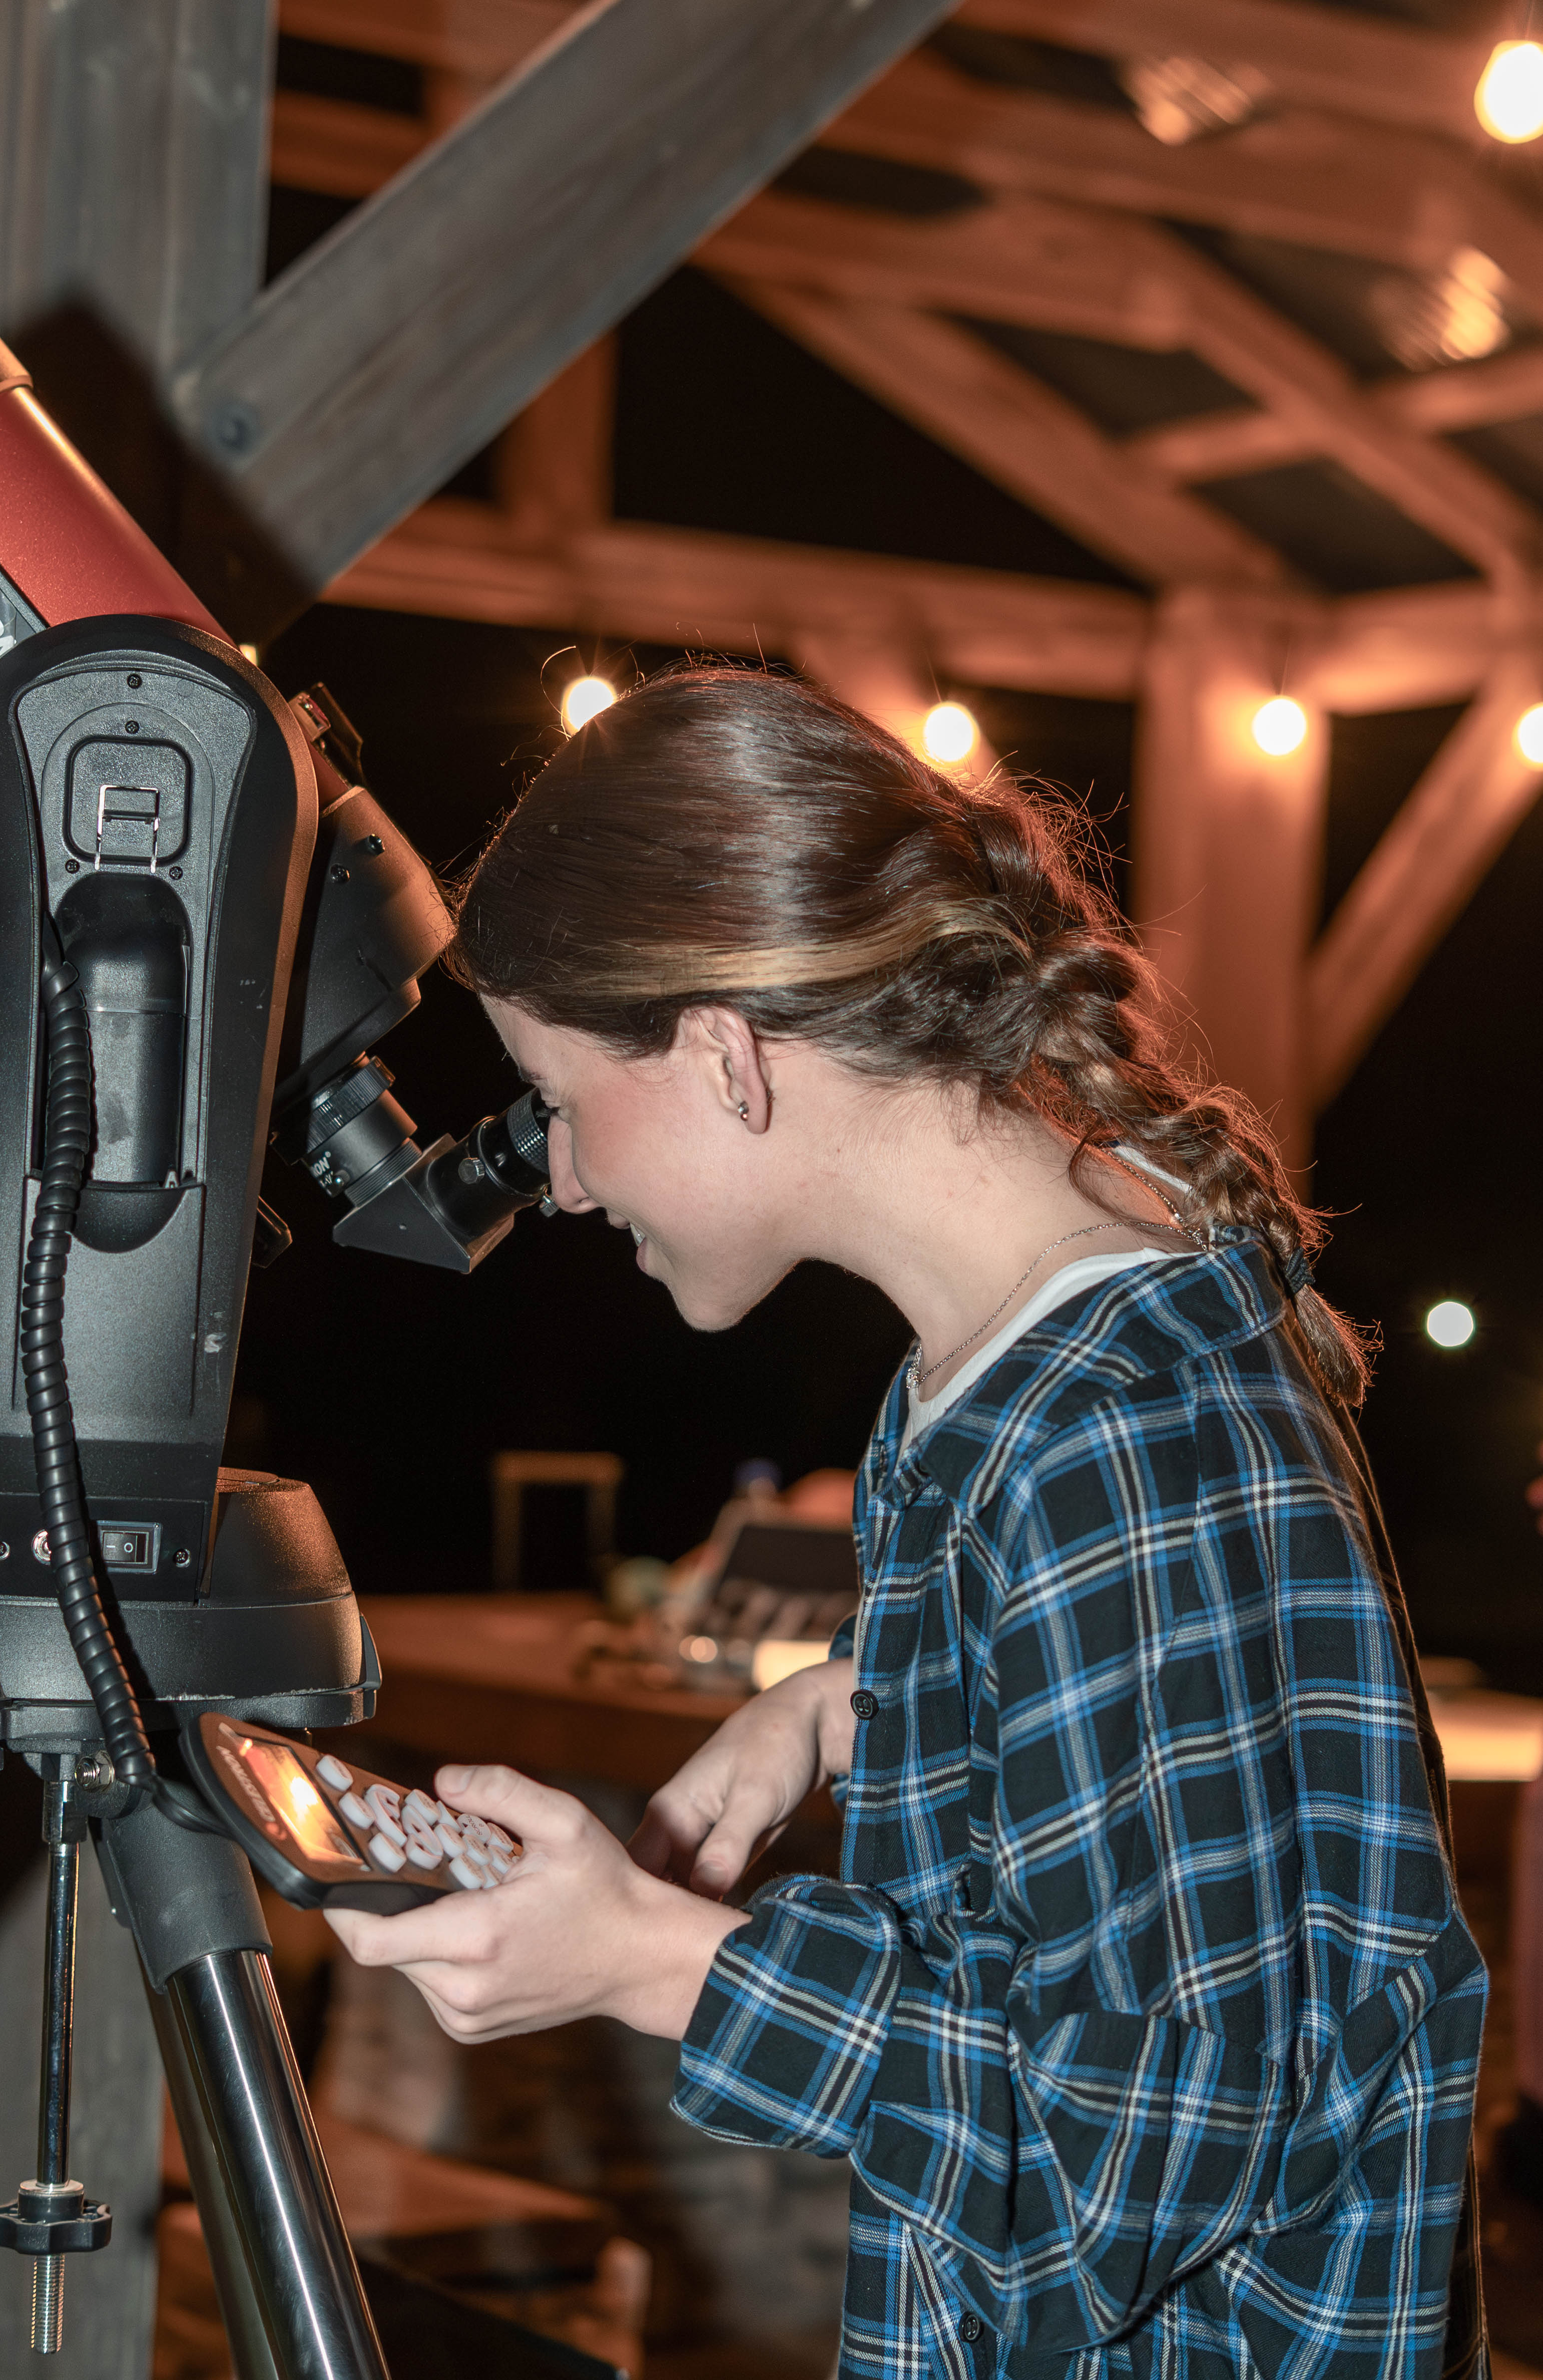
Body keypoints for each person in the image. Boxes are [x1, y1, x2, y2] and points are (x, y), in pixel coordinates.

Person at [324, 666, 1486, 2379]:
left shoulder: (1116, 1426)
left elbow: (1144, 2152)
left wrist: (663, 1965)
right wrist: (857, 1703)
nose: (557, 1178)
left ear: (723, 1054)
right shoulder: (1008, 1370)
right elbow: (1171, 1747)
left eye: (558, 1101)